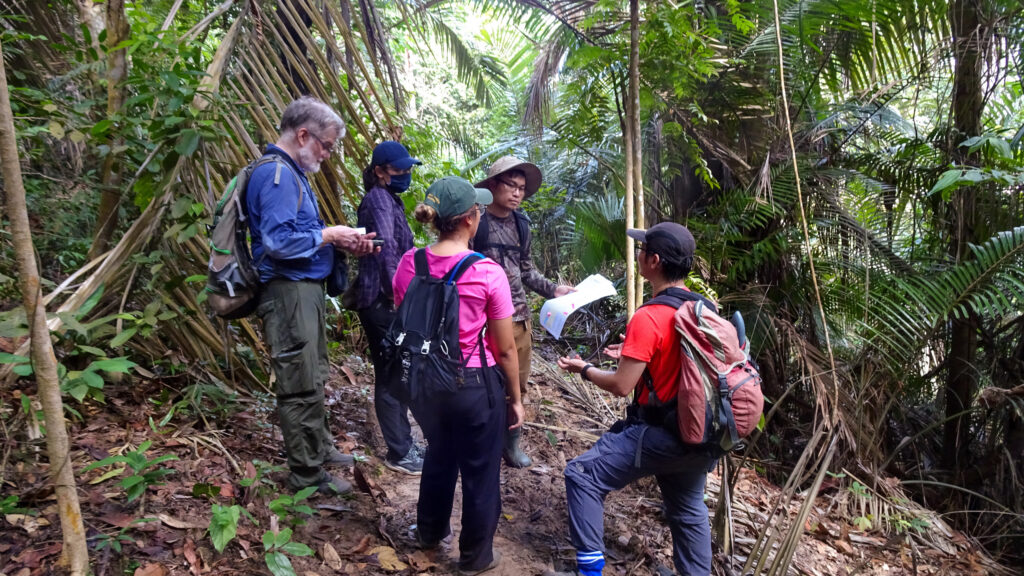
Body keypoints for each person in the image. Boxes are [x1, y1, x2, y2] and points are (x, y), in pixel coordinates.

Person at [551, 222, 719, 576]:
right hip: (702, 433)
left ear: (654, 261)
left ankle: (590, 571)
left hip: (662, 434)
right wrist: (630, 354)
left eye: (643, 250)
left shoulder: (650, 315)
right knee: (688, 509)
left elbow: (621, 386)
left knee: (582, 475)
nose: (639, 255)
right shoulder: (705, 309)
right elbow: (678, 365)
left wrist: (584, 369)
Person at [392, 176, 524, 575]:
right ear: (470, 220)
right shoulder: (486, 272)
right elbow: (504, 348)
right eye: (479, 210)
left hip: (425, 384)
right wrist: (515, 397)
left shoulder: (408, 263)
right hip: (472, 383)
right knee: (480, 470)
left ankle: (429, 532)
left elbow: (410, 322)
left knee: (438, 453)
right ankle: (475, 557)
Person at [246, 96, 376, 495]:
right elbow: (277, 243)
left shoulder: (293, 174)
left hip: (305, 290)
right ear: (303, 135)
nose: (329, 153)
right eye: (327, 144)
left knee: (313, 375)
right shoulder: (276, 176)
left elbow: (298, 236)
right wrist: (329, 235)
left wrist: (341, 244)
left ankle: (319, 449)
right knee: (298, 382)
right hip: (287, 293)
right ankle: (307, 474)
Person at [474, 156, 573, 468]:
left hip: (518, 317)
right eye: (511, 186)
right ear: (492, 186)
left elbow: (527, 271)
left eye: (521, 188)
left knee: (518, 383)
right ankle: (482, 442)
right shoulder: (475, 221)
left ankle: (510, 444)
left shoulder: (522, 224)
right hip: (483, 320)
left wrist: (554, 290)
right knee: (482, 384)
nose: (517, 193)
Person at [351, 141, 424, 475]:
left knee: (396, 371)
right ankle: (399, 451)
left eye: (408, 170)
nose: (405, 175)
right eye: (399, 171)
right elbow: (387, 250)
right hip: (382, 301)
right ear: (380, 171)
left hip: (386, 299)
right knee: (392, 374)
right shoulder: (378, 199)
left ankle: (404, 444)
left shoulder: (388, 198)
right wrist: (400, 297)